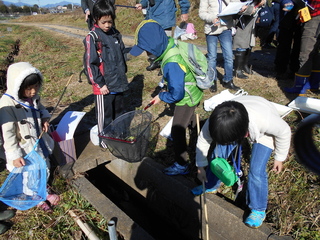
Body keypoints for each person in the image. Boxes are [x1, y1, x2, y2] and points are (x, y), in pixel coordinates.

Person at [191, 95, 291, 228]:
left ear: (243, 134)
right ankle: (211, 185)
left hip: (265, 133)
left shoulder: (266, 121)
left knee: (256, 171)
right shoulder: (217, 122)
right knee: (217, 157)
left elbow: (284, 132)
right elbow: (203, 141)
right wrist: (201, 166)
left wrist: (279, 157)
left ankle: (258, 209)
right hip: (241, 117)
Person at [130, 20, 203, 175]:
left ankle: (182, 164)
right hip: (193, 91)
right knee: (186, 118)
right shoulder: (171, 44)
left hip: (186, 97)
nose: (147, 54)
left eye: (147, 50)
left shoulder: (171, 62)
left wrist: (162, 96)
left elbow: (177, 94)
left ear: (154, 47)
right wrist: (160, 95)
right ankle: (193, 128)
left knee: (177, 130)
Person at [0, 62, 60, 212]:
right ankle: (35, 196)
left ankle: (42, 188)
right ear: (17, 86)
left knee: (42, 165)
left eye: (36, 87)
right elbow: (8, 133)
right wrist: (14, 155)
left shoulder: (34, 98)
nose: (33, 91)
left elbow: (41, 108)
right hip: (24, 146)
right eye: (28, 89)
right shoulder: (7, 104)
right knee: (28, 172)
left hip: (38, 140)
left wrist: (45, 118)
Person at [83, 0, 129, 148]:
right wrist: (100, 83)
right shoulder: (93, 37)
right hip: (104, 87)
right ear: (96, 19)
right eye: (104, 22)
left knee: (120, 114)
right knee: (106, 117)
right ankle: (105, 141)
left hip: (119, 83)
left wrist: (123, 74)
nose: (108, 25)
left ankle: (120, 137)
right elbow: (90, 64)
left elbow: (122, 56)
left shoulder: (116, 34)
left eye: (110, 21)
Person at [199, 0, 241, 92]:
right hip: (211, 29)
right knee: (212, 57)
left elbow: (236, 5)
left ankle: (228, 80)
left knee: (229, 56)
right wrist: (212, 18)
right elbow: (201, 13)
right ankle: (212, 80)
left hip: (226, 28)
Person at [284, 0, 320, 95]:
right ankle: (313, 84)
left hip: (315, 15)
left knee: (306, 51)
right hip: (315, 13)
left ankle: (300, 87)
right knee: (315, 52)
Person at [233, 0, 266, 79]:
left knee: (249, 44)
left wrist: (261, 3)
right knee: (241, 44)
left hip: (252, 23)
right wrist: (253, 8)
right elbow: (239, 9)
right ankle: (238, 70)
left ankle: (245, 65)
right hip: (242, 23)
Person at [274, 0, 304, 78]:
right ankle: (280, 69)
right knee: (284, 45)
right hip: (287, 17)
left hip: (303, 18)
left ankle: (294, 70)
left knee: (299, 45)